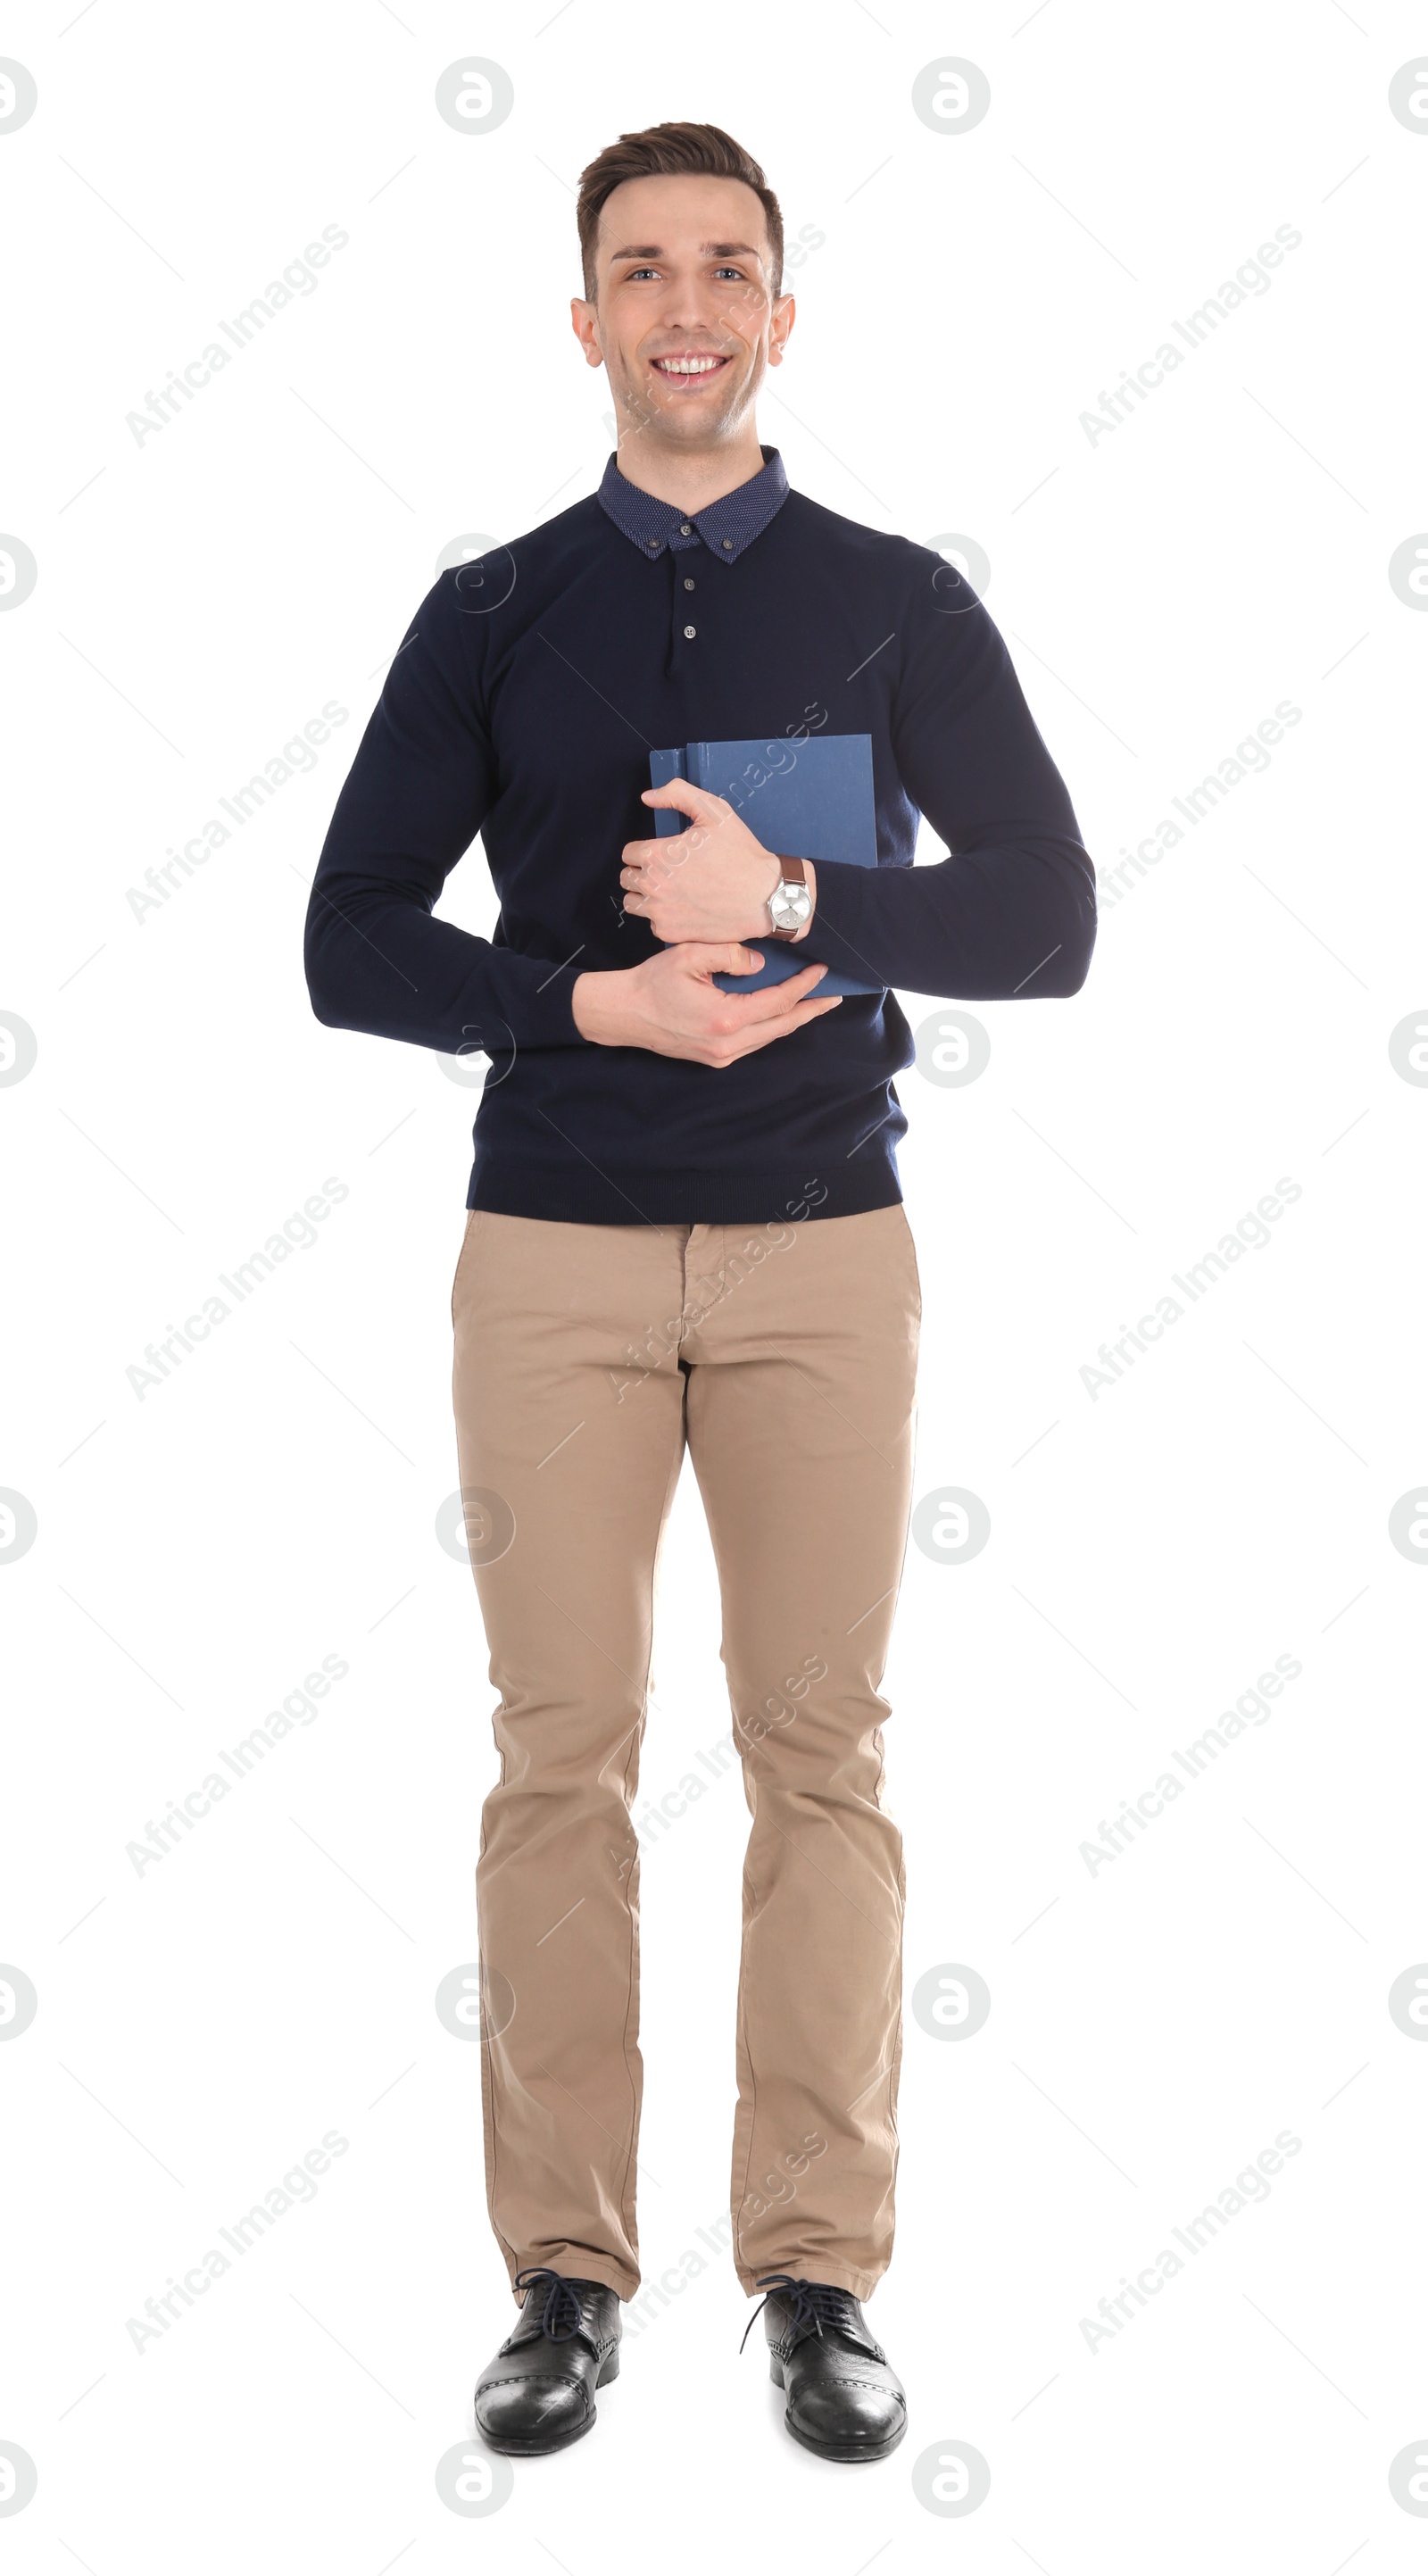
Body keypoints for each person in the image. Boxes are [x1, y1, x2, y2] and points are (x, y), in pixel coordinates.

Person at [304, 117, 1095, 2463]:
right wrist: (585, 1005)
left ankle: (819, 2275)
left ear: (780, 312)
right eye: (638, 268)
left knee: (819, 1762)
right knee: (557, 1761)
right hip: (547, 1242)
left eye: (726, 267)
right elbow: (349, 946)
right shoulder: (488, 609)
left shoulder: (895, 601)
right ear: (584, 320)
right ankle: (564, 2270)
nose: (683, 304)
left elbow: (1046, 919)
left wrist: (807, 909)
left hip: (821, 1248)